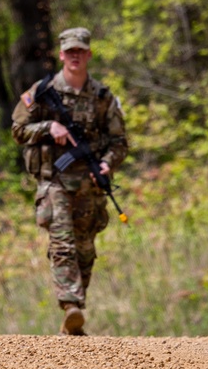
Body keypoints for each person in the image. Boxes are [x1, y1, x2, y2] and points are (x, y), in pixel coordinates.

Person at [11, 27, 128, 335]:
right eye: (70, 51)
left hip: (89, 183)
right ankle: (70, 303)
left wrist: (106, 163)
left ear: (88, 54)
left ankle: (73, 321)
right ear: (62, 55)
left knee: (85, 248)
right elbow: (18, 129)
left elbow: (119, 142)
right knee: (62, 242)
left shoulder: (103, 97)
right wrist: (49, 127)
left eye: (81, 51)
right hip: (55, 181)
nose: (76, 56)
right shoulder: (42, 91)